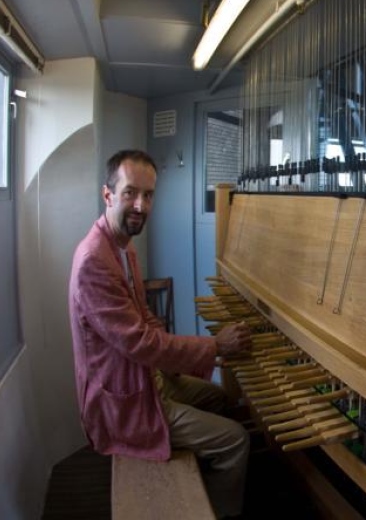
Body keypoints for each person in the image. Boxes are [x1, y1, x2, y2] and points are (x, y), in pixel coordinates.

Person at [68, 149, 252, 519]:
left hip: (145, 378)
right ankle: (215, 511)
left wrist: (199, 356)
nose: (141, 205)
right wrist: (215, 345)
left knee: (219, 399)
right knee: (236, 441)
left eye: (148, 195)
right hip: (121, 403)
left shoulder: (122, 247)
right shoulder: (94, 261)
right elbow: (140, 342)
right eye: (130, 193)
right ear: (108, 195)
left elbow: (145, 318)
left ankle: (199, 478)